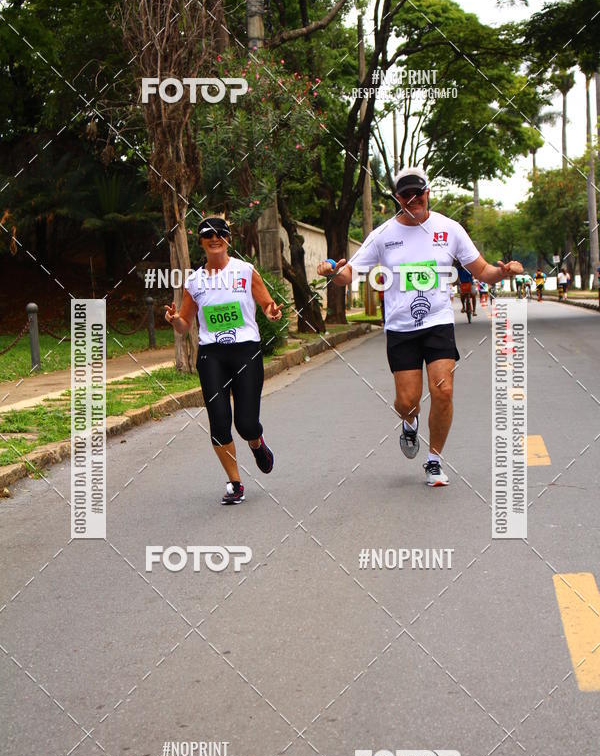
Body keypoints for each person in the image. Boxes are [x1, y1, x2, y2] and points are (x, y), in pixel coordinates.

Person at [317, 167, 522, 487]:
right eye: (406, 196)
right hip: (401, 328)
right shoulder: (384, 235)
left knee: (444, 390)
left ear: (429, 193)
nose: (414, 201)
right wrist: (333, 270)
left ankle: (434, 460)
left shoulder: (449, 229)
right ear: (397, 199)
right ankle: (409, 422)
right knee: (407, 402)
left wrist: (503, 272)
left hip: (438, 323)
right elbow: (349, 273)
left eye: (419, 194)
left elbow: (481, 270)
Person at [164, 217, 282, 505]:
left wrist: (271, 312)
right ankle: (235, 482)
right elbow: (185, 324)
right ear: (201, 242)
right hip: (212, 355)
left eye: (220, 234)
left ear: (229, 239)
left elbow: (266, 303)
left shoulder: (245, 271)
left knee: (246, 423)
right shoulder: (195, 281)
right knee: (218, 421)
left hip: (246, 352)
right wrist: (175, 320)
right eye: (208, 235)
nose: (214, 238)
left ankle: (256, 443)